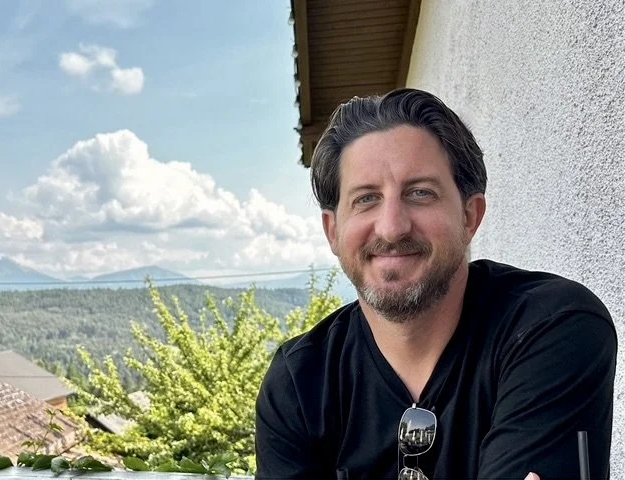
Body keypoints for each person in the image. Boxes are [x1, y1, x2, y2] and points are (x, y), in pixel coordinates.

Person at [255, 89, 617, 480]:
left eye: (420, 193)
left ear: (469, 216)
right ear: (333, 231)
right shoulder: (300, 383)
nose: (392, 228)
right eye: (366, 199)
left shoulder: (550, 327)